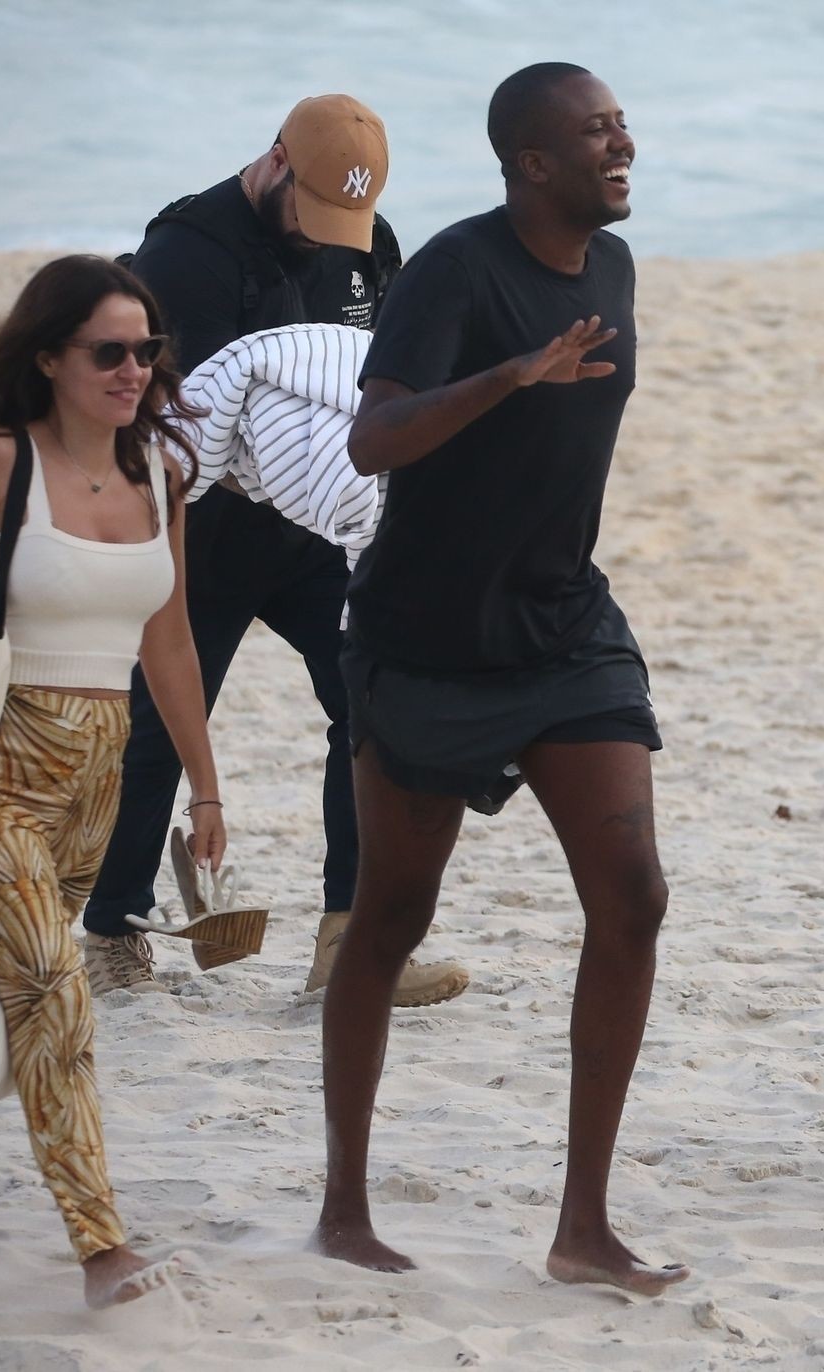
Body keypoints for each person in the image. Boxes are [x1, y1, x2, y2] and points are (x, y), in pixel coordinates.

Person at [309, 63, 686, 1296]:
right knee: (391, 916)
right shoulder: (455, 273)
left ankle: (585, 1227)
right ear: (532, 161)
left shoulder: (613, 269)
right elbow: (372, 439)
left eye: (622, 125)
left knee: (633, 894)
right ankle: (344, 1205)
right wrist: (510, 376)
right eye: (596, 132)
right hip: (426, 640)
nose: (622, 145)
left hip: (564, 625)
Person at [80, 94, 468, 1007]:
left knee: (371, 708)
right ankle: (112, 930)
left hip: (314, 529)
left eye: (350, 220)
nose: (331, 238)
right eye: (317, 210)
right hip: (205, 530)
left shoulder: (369, 244)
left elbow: (382, 380)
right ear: (277, 161)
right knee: (157, 732)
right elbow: (181, 417)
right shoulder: (186, 254)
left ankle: (350, 944)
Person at [0, 255, 226, 1306]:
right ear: (49, 359)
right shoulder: (0, 462)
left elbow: (168, 640)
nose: (134, 371)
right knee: (55, 990)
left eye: (147, 350)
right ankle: (101, 1248)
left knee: (11, 1004)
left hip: (97, 782)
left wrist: (205, 788)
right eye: (109, 352)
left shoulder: (160, 473)